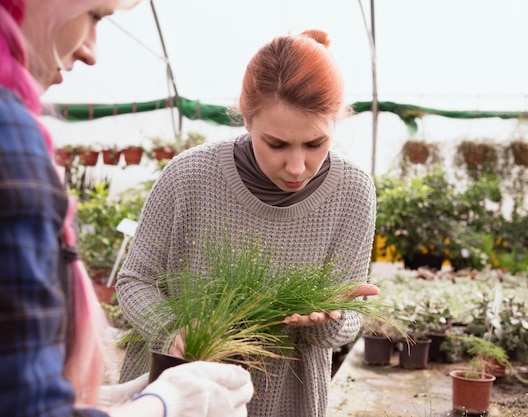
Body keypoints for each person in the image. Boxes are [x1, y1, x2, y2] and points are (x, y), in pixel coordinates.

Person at [0, 1, 253, 416]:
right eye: (95, 15)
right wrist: (165, 404)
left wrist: (97, 400)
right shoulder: (9, 138)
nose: (91, 50)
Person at [116, 29, 378, 417]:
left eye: (315, 144)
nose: (296, 166)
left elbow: (346, 320)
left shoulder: (353, 193)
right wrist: (175, 332)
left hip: (285, 400)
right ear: (246, 116)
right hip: (177, 390)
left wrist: (326, 319)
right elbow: (134, 280)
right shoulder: (190, 176)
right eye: (276, 144)